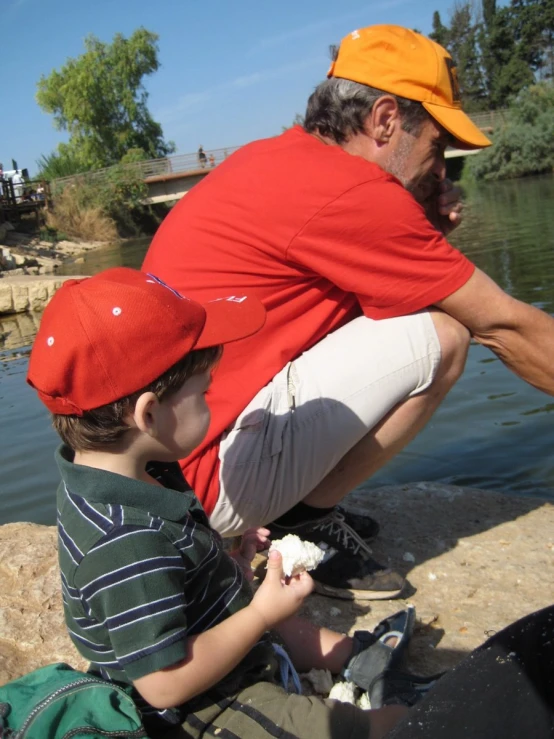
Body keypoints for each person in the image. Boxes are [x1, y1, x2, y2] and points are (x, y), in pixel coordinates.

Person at [143, 24, 554, 601]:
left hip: (169, 469)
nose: (442, 169)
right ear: (385, 119)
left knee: (424, 324)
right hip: (213, 480)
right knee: (449, 336)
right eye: (438, 146)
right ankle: (304, 521)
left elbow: (365, 305)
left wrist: (423, 226)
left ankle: (296, 507)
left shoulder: (280, 160)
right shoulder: (352, 193)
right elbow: (504, 324)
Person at [26, 267, 427, 738]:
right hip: (202, 704)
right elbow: (162, 684)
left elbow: (171, 558)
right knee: (376, 726)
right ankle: (388, 709)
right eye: (204, 390)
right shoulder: (123, 541)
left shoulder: (127, 473)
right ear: (149, 413)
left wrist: (225, 557)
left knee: (280, 621)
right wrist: (259, 615)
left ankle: (358, 658)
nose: (213, 400)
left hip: (203, 626)